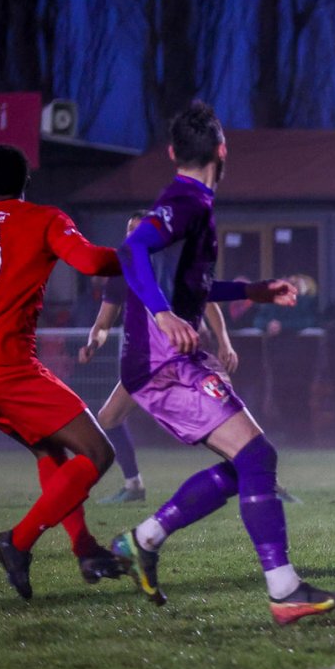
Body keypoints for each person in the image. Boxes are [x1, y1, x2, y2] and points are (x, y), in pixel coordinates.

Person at [105, 102, 335, 623]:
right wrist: (163, 314)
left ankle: (142, 541)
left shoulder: (194, 201)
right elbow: (132, 251)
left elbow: (192, 285)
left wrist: (252, 291)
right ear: (223, 151)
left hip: (171, 359)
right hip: (162, 364)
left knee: (252, 462)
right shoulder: (187, 199)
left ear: (172, 152)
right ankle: (283, 590)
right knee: (257, 457)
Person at [0, 144, 131, 599]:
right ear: (27, 183)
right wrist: (135, 253)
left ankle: (86, 549)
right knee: (97, 452)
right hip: (6, 367)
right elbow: (92, 262)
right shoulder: (43, 218)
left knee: (49, 450)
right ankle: (16, 543)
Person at [79, 211, 244, 504]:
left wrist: (225, 342)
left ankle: (258, 472)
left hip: (177, 361)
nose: (132, 236)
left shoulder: (172, 268)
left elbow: (208, 302)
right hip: (144, 365)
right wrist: (94, 341)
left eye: (139, 230)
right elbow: (103, 324)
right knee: (109, 418)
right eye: (129, 230)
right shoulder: (121, 273)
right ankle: (134, 486)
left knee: (213, 423)